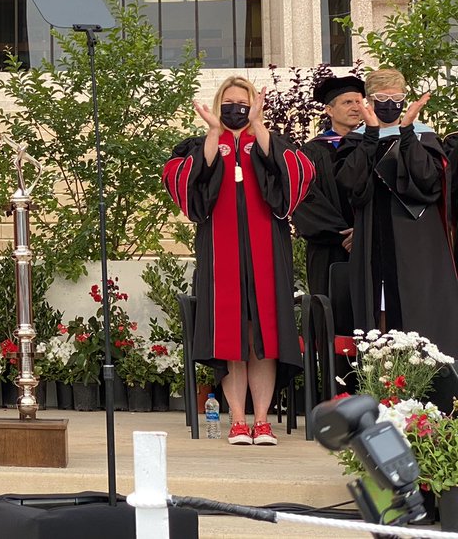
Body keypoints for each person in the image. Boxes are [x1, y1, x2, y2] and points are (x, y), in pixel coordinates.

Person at [163, 76, 314, 447]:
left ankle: (262, 421)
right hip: (220, 252)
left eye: (243, 104)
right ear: (219, 105)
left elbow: (299, 173)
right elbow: (184, 181)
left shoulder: (270, 141)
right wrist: (214, 135)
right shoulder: (201, 144)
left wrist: (259, 126)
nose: (236, 110)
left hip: (268, 252)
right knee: (230, 335)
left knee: (264, 335)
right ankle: (237, 420)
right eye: (229, 103)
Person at [335, 68, 458, 358]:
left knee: (421, 312)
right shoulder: (358, 140)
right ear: (369, 101)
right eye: (382, 98)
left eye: (396, 98)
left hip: (419, 243)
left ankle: (424, 379)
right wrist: (371, 136)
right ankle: (383, 375)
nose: (390, 104)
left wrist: (407, 133)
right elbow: (350, 183)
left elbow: (428, 181)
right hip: (375, 239)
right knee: (379, 311)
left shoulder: (422, 136)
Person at [292, 75, 364, 298]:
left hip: (370, 243)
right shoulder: (311, 152)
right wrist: (344, 235)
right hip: (329, 249)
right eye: (347, 102)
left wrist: (364, 231)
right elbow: (304, 200)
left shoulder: (371, 145)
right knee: (331, 307)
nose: (356, 107)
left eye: (359, 101)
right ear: (329, 110)